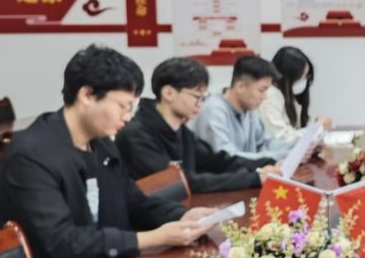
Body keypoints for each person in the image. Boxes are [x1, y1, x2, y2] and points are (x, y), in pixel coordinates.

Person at [0, 45, 214, 258]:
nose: (127, 117)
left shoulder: (101, 144)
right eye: (123, 106)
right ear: (87, 95)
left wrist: (181, 216)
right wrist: (152, 238)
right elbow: (60, 241)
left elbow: (133, 202)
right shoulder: (31, 155)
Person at [117, 57, 280, 193]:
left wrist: (267, 163)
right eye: (196, 97)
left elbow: (217, 161)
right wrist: (252, 179)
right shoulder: (136, 135)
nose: (200, 105)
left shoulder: (182, 132)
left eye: (203, 98)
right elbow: (181, 182)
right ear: (168, 93)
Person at [191, 56, 294, 161]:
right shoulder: (214, 111)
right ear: (240, 87)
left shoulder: (249, 109)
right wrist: (280, 156)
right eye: (261, 90)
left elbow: (265, 143)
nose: (265, 97)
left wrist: (294, 150)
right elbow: (229, 158)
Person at [260, 46, 333, 142]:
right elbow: (283, 138)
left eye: (306, 76)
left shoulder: (287, 96)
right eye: (302, 76)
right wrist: (316, 129)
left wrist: (316, 126)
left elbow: (295, 130)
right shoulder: (270, 97)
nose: (304, 80)